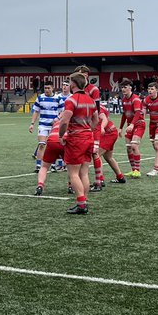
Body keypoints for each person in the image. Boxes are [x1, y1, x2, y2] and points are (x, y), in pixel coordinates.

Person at [55, 71, 97, 214]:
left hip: (76, 139)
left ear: (73, 84)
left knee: (73, 173)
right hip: (88, 137)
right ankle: (84, 201)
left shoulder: (71, 100)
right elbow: (95, 120)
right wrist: (88, 129)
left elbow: (64, 121)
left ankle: (81, 204)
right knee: (84, 172)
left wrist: (61, 135)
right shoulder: (91, 100)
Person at [29, 82, 63, 171]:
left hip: (54, 126)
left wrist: (57, 119)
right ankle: (38, 166)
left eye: (48, 88)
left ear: (52, 88)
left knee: (53, 146)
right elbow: (36, 111)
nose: (47, 90)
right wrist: (32, 124)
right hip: (43, 125)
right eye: (45, 88)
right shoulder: (40, 98)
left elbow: (63, 111)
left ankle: (53, 165)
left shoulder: (58, 98)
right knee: (41, 144)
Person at [91, 103, 126, 190]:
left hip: (108, 133)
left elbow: (104, 118)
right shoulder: (98, 105)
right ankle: (120, 177)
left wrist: (102, 127)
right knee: (108, 157)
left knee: (96, 154)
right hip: (111, 131)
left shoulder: (96, 106)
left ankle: (100, 180)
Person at [118, 79, 146, 177]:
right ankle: (133, 169)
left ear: (131, 88)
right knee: (129, 148)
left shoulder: (136, 99)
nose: (123, 89)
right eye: (122, 87)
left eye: (125, 87)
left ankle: (137, 171)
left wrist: (132, 124)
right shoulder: (124, 99)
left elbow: (138, 113)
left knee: (134, 146)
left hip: (139, 124)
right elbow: (124, 114)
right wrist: (120, 128)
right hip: (130, 125)